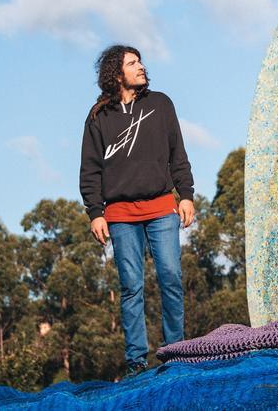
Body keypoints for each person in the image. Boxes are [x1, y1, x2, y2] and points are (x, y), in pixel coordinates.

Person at [79, 44, 196, 377]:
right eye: (132, 63)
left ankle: (176, 352)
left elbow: (178, 154)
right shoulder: (98, 116)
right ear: (117, 73)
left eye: (141, 61)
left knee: (171, 278)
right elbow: (90, 168)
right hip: (119, 215)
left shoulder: (161, 104)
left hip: (161, 207)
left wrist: (185, 195)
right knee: (131, 286)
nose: (141, 66)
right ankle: (136, 362)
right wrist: (95, 212)